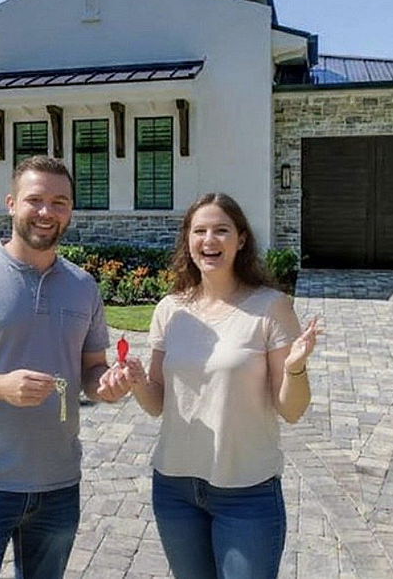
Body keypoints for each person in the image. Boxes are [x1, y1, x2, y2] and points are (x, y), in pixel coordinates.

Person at [0, 155, 133, 579]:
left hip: (58, 484)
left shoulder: (83, 286)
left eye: (59, 202)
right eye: (35, 200)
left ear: (70, 210)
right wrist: (0, 387)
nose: (46, 212)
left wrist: (108, 384)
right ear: (12, 204)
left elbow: (92, 369)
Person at [124, 192, 320, 579]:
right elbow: (157, 402)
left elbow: (292, 410)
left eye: (221, 230)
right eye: (199, 231)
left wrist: (295, 368)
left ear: (241, 239)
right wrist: (136, 380)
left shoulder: (271, 307)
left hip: (247, 492)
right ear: (188, 239)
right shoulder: (170, 310)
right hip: (175, 488)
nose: (209, 240)